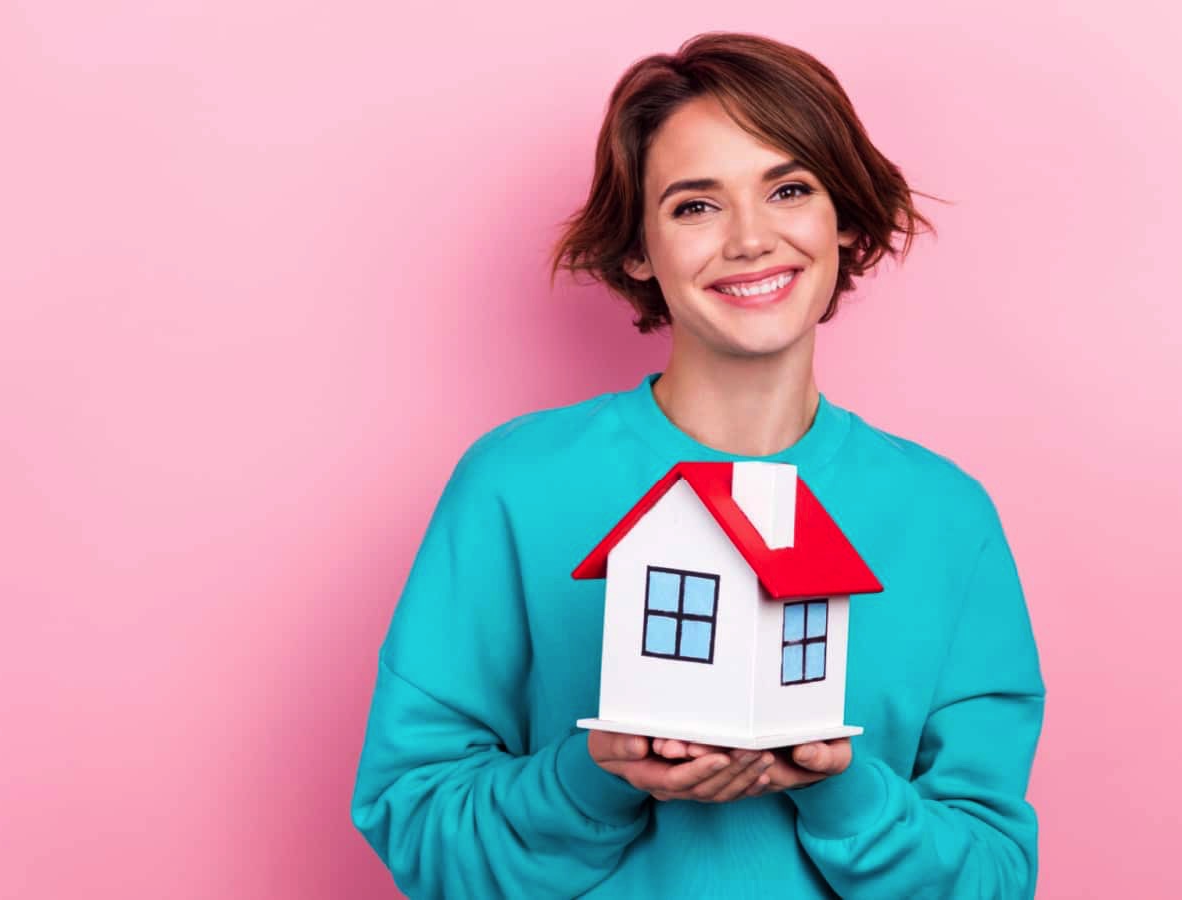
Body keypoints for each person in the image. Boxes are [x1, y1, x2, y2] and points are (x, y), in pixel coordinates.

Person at [350, 31, 1045, 899]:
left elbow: (992, 878)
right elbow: (417, 826)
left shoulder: (947, 518)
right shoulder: (513, 486)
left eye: (789, 189)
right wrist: (592, 775)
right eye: (695, 205)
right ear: (638, 249)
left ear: (844, 220)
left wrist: (844, 791)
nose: (752, 239)